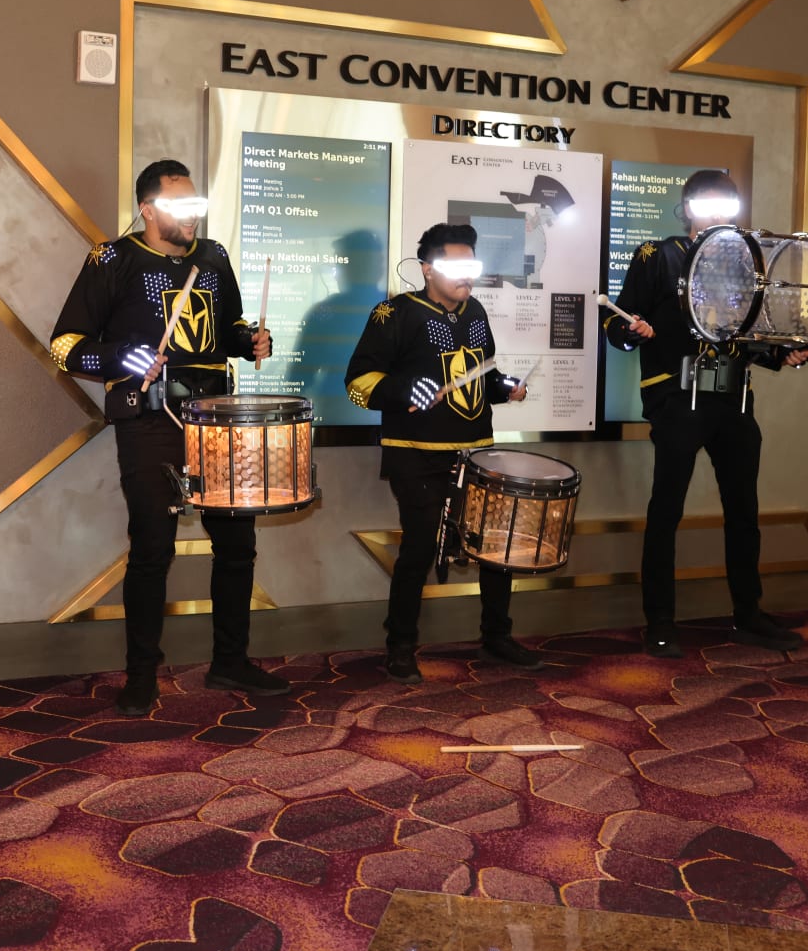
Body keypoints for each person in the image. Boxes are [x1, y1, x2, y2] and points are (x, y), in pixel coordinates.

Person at [49, 159, 291, 716]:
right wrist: (121, 357)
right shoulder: (113, 259)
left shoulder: (214, 257)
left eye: (195, 205)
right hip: (150, 421)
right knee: (152, 549)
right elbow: (65, 346)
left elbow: (228, 327)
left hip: (217, 420)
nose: (191, 216)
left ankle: (230, 660)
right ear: (147, 209)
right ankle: (141, 674)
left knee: (237, 545)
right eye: (179, 206)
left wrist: (250, 341)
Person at [603, 170, 808, 658]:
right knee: (666, 511)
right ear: (687, 208)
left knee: (744, 511)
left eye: (726, 204)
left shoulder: (746, 262)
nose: (717, 213)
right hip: (678, 401)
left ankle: (749, 613)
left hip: (734, 400)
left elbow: (748, 337)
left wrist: (781, 355)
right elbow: (616, 326)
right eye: (707, 204)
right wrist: (633, 330)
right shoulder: (658, 255)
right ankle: (659, 621)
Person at [344, 223, 542, 683]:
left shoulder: (476, 312)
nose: (466, 275)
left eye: (472, 265)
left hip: (476, 451)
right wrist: (404, 389)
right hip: (415, 453)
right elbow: (357, 383)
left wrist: (505, 388)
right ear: (427, 269)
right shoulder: (394, 313)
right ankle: (400, 645)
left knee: (493, 547)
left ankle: (497, 636)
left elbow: (480, 377)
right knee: (419, 546)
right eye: (455, 266)